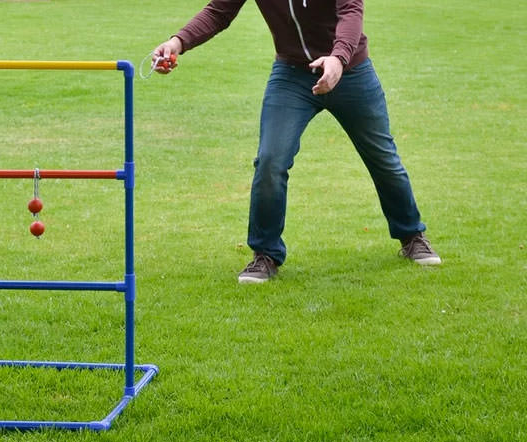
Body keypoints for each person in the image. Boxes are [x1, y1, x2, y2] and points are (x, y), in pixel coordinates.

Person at [152, 0, 441, 284]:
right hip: (292, 76)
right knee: (270, 160)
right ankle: (265, 254)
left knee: (383, 159)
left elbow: (351, 10)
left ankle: (411, 235)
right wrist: (178, 42)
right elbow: (219, 11)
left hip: (350, 72)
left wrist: (338, 58)